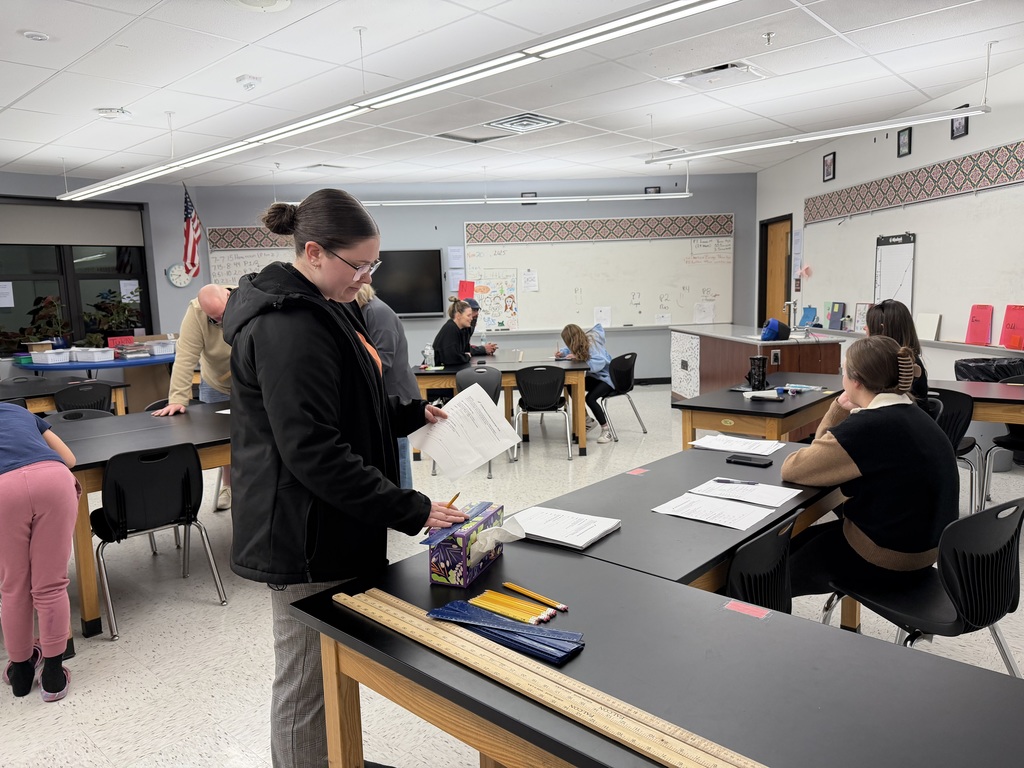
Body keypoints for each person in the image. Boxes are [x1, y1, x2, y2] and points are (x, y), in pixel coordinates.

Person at [221, 188, 467, 768]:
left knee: (330, 667)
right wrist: (409, 507)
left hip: (332, 524)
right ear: (312, 252)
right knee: (307, 678)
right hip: (305, 537)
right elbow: (313, 449)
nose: (366, 277)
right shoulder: (288, 326)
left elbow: (344, 408)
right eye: (359, 266)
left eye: (372, 265)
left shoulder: (328, 307)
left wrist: (408, 414)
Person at [780, 335, 959, 597]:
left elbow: (798, 468)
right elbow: (825, 459)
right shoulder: (915, 414)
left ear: (855, 380)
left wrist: (837, 409)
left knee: (768, 571)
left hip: (884, 557)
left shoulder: (868, 427)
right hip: (924, 549)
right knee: (795, 545)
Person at [0, 402, 79, 702]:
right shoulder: (18, 411)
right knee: (51, 585)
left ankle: (20, 674)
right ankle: (54, 677)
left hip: (2, 492)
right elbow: (69, 459)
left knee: (13, 588)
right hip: (53, 480)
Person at [152, 283, 234, 510]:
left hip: (253, 381)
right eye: (214, 318)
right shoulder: (196, 313)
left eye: (223, 315)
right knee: (223, 438)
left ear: (229, 296)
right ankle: (228, 486)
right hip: (217, 381)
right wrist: (177, 399)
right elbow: (186, 356)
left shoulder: (249, 299)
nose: (220, 321)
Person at [355, 284, 419, 489]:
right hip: (385, 396)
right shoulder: (365, 310)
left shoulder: (377, 311)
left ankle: (405, 513)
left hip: (396, 396)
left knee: (398, 459)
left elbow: (383, 361)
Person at [555, 323, 615, 444]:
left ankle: (606, 430)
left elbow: (599, 363)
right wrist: (563, 352)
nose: (567, 345)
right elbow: (572, 350)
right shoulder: (581, 341)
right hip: (598, 378)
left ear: (572, 339)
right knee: (571, 384)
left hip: (608, 379)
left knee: (590, 399)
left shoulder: (593, 344)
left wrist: (579, 358)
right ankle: (587, 420)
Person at [865, 298, 928, 402]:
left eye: (869, 325)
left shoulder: (897, 365)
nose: (865, 328)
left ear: (881, 329)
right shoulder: (909, 360)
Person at [432, 297, 474, 366]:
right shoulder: (450, 329)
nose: (471, 318)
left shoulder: (464, 329)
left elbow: (466, 351)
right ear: (458, 315)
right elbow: (452, 358)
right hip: (436, 373)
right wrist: (467, 357)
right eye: (468, 315)